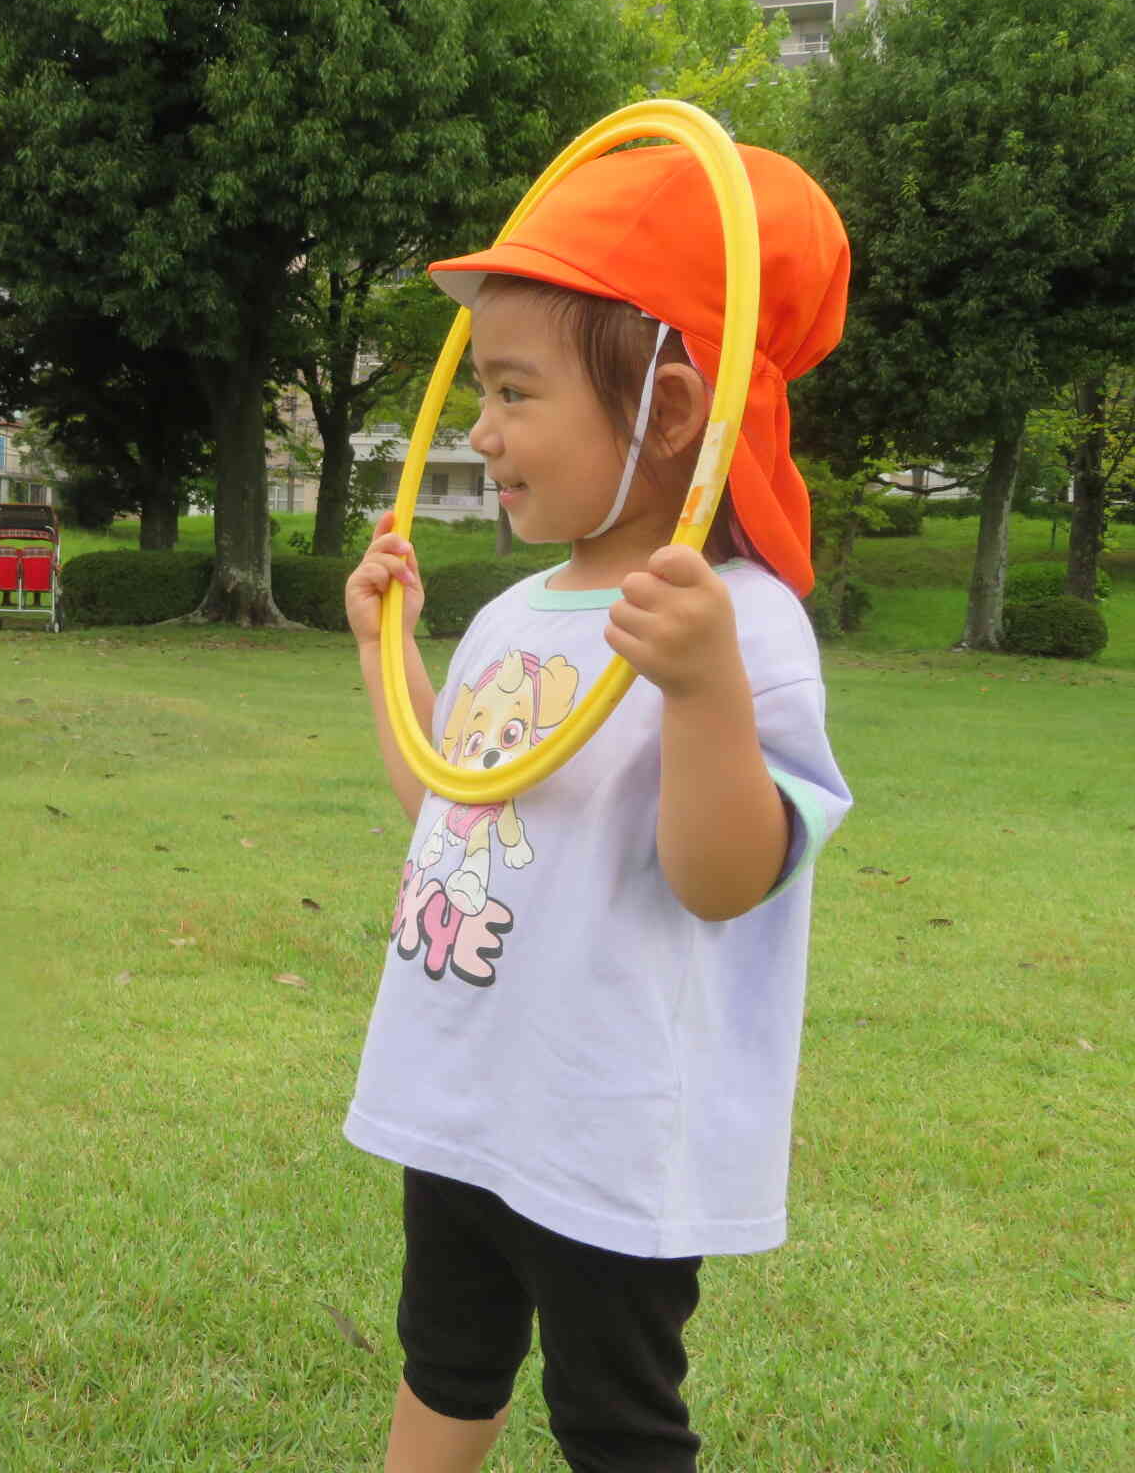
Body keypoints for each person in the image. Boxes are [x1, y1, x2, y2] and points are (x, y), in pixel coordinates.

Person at [341, 144, 854, 1473]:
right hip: (467, 1091)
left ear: (670, 409)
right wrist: (384, 656)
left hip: (606, 1119)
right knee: (442, 1359)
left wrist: (701, 695)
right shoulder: (516, 612)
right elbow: (454, 809)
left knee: (613, 1417)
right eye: (484, 390)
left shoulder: (742, 627)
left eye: (516, 392)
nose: (482, 430)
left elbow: (724, 878)